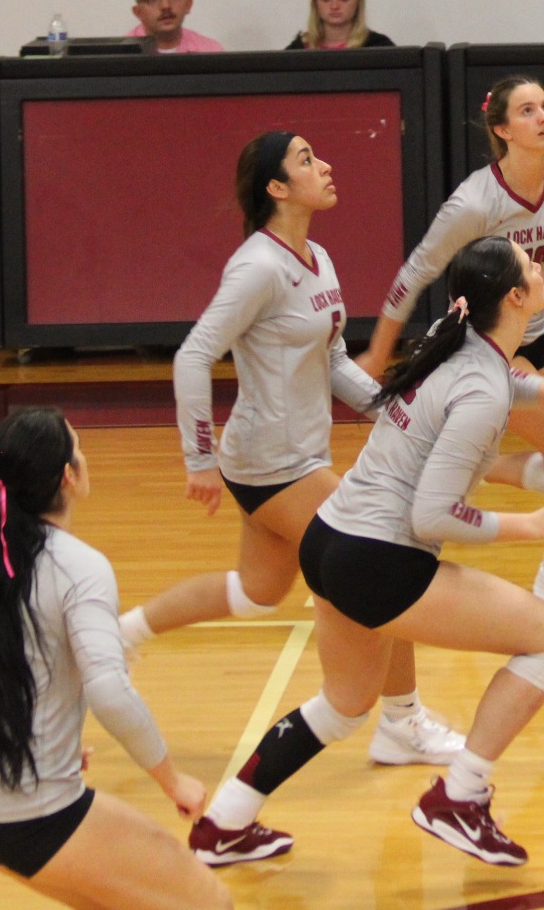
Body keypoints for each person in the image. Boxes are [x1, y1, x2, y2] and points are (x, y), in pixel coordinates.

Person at [190, 237, 544, 868]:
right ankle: (460, 798)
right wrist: (534, 524)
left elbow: (501, 380)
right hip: (380, 557)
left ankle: (223, 822)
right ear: (516, 299)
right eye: (529, 268)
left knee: (343, 704)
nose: (539, 265)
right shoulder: (480, 385)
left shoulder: (459, 335)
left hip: (331, 540)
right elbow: (433, 514)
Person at [114, 131, 465, 788]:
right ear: (277, 188)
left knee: (258, 591)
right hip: (272, 463)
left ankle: (120, 634)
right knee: (384, 553)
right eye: (306, 159)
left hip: (289, 457)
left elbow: (329, 359)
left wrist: (391, 406)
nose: (324, 165)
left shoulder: (317, 256)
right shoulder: (257, 267)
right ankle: (402, 721)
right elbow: (193, 354)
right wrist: (197, 457)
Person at [0, 407, 231, 909]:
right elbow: (110, 692)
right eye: (79, 448)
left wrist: (32, 739)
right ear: (68, 475)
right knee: (209, 901)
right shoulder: (80, 568)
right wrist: (173, 781)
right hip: (34, 815)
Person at [361, 76, 544, 609]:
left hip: (538, 331)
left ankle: (473, 465)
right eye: (527, 111)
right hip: (490, 345)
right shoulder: (474, 202)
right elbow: (414, 273)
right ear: (502, 129)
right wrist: (378, 352)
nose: (543, 118)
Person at [129, 0, 225, 54]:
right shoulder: (123, 54)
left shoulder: (210, 51)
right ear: (138, 12)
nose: (165, 6)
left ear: (188, 5)